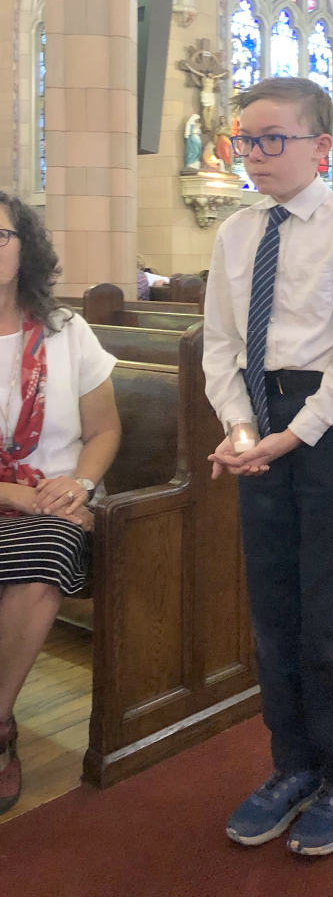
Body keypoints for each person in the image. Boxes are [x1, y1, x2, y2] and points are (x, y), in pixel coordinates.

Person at [203, 76, 333, 855]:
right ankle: (293, 765)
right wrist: (242, 428)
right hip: (262, 420)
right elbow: (221, 345)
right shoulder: (236, 233)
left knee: (331, 610)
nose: (255, 154)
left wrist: (296, 432)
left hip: (331, 424)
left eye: (273, 139)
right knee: (275, 608)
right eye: (246, 139)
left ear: (320, 147)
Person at [0, 195, 121, 814]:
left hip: (55, 504)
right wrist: (11, 492)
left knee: (48, 546)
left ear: (26, 247)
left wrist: (81, 485)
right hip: (10, 498)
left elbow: (103, 430)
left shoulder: (66, 331)